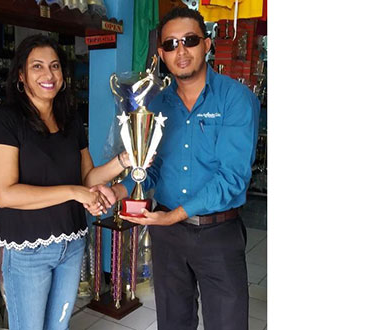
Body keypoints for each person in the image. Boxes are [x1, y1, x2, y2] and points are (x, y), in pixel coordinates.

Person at [99, 7, 260, 330]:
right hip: (168, 235)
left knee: (227, 323)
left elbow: (232, 177)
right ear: (161, 53)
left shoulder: (235, 99)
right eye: (171, 44)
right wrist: (120, 189)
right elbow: (152, 168)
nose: (181, 51)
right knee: (173, 322)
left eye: (189, 40)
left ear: (207, 44)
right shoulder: (157, 106)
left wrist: (174, 215)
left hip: (217, 233)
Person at [0, 34, 130, 330]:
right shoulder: (6, 119)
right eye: (37, 66)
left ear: (63, 76)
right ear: (22, 76)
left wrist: (123, 161)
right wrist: (74, 192)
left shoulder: (70, 119)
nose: (48, 74)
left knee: (59, 327)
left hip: (71, 243)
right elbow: (4, 193)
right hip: (28, 250)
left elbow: (88, 177)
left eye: (54, 66)